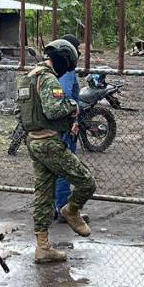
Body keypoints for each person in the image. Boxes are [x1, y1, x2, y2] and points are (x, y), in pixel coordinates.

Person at [18, 38, 95, 264]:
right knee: (86, 182)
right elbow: (53, 110)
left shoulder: (28, 76)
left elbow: (18, 112)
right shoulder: (48, 78)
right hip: (50, 142)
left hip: (34, 141)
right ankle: (70, 210)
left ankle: (43, 247)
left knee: (43, 194)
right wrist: (73, 106)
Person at [53, 34, 84, 218]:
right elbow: (64, 94)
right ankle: (63, 207)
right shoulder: (68, 69)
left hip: (56, 122)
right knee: (65, 167)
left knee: (56, 168)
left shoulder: (56, 67)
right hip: (65, 124)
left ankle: (55, 206)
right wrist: (72, 121)